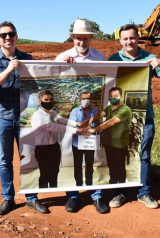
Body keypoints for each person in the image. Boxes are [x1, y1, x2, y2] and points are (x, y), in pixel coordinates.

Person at [0, 21, 46, 215]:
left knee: (30, 159)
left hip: (25, 118)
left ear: (16, 36)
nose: (8, 38)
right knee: (4, 160)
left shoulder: (27, 58)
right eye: (3, 35)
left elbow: (37, 86)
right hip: (2, 117)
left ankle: (32, 198)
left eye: (11, 34)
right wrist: (9, 69)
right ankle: (8, 198)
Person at [107, 23, 160, 209]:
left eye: (132, 38)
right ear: (120, 40)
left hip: (145, 116)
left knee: (143, 155)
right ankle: (119, 192)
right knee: (119, 154)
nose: (129, 41)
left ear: (138, 38)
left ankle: (144, 193)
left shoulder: (150, 58)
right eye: (125, 38)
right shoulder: (112, 60)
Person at [55, 19, 109, 214]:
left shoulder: (99, 56)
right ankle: (73, 196)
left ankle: (97, 195)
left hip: (92, 116)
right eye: (78, 38)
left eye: (85, 38)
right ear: (73, 38)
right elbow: (53, 81)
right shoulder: (62, 56)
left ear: (90, 39)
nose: (82, 42)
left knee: (94, 157)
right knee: (73, 158)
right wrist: (61, 66)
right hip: (72, 117)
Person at [30, 90, 88, 190]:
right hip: (43, 149)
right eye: (46, 100)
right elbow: (54, 127)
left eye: (51, 99)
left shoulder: (52, 112)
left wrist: (78, 124)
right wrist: (77, 130)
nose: (48, 101)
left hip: (54, 147)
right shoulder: (38, 115)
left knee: (54, 172)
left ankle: (54, 192)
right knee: (44, 174)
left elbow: (61, 120)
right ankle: (45, 195)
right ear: (39, 101)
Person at [88, 87, 133, 202]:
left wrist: (95, 129)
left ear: (121, 97)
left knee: (120, 168)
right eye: (111, 96)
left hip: (119, 145)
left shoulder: (125, 109)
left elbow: (111, 122)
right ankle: (113, 188)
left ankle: (121, 192)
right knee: (112, 166)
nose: (113, 98)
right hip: (108, 143)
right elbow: (100, 115)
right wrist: (89, 120)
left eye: (116, 96)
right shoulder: (109, 108)